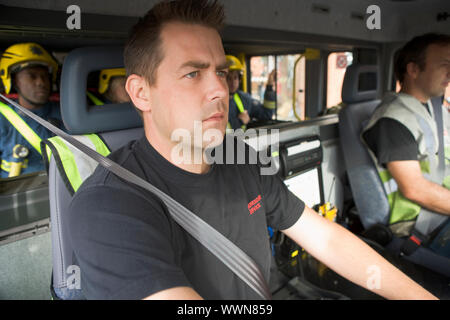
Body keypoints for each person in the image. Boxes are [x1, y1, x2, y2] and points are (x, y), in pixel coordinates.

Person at [68, 0, 436, 300]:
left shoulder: (239, 157)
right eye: (193, 73)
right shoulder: (111, 202)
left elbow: (323, 236)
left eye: (221, 72)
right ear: (141, 93)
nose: (219, 90)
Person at [362, 33, 450, 257]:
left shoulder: (432, 108)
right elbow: (415, 189)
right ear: (413, 70)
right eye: (444, 65)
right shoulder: (393, 120)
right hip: (423, 226)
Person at [0, 42, 63, 178]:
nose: (41, 82)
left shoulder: (67, 114)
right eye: (32, 76)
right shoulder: (2, 119)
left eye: (45, 76)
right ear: (15, 81)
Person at [226, 55, 275, 130]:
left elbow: (266, 114)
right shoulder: (212, 103)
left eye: (235, 77)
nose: (233, 82)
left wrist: (269, 87)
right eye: (228, 78)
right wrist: (239, 121)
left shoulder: (244, 98)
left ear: (239, 79)